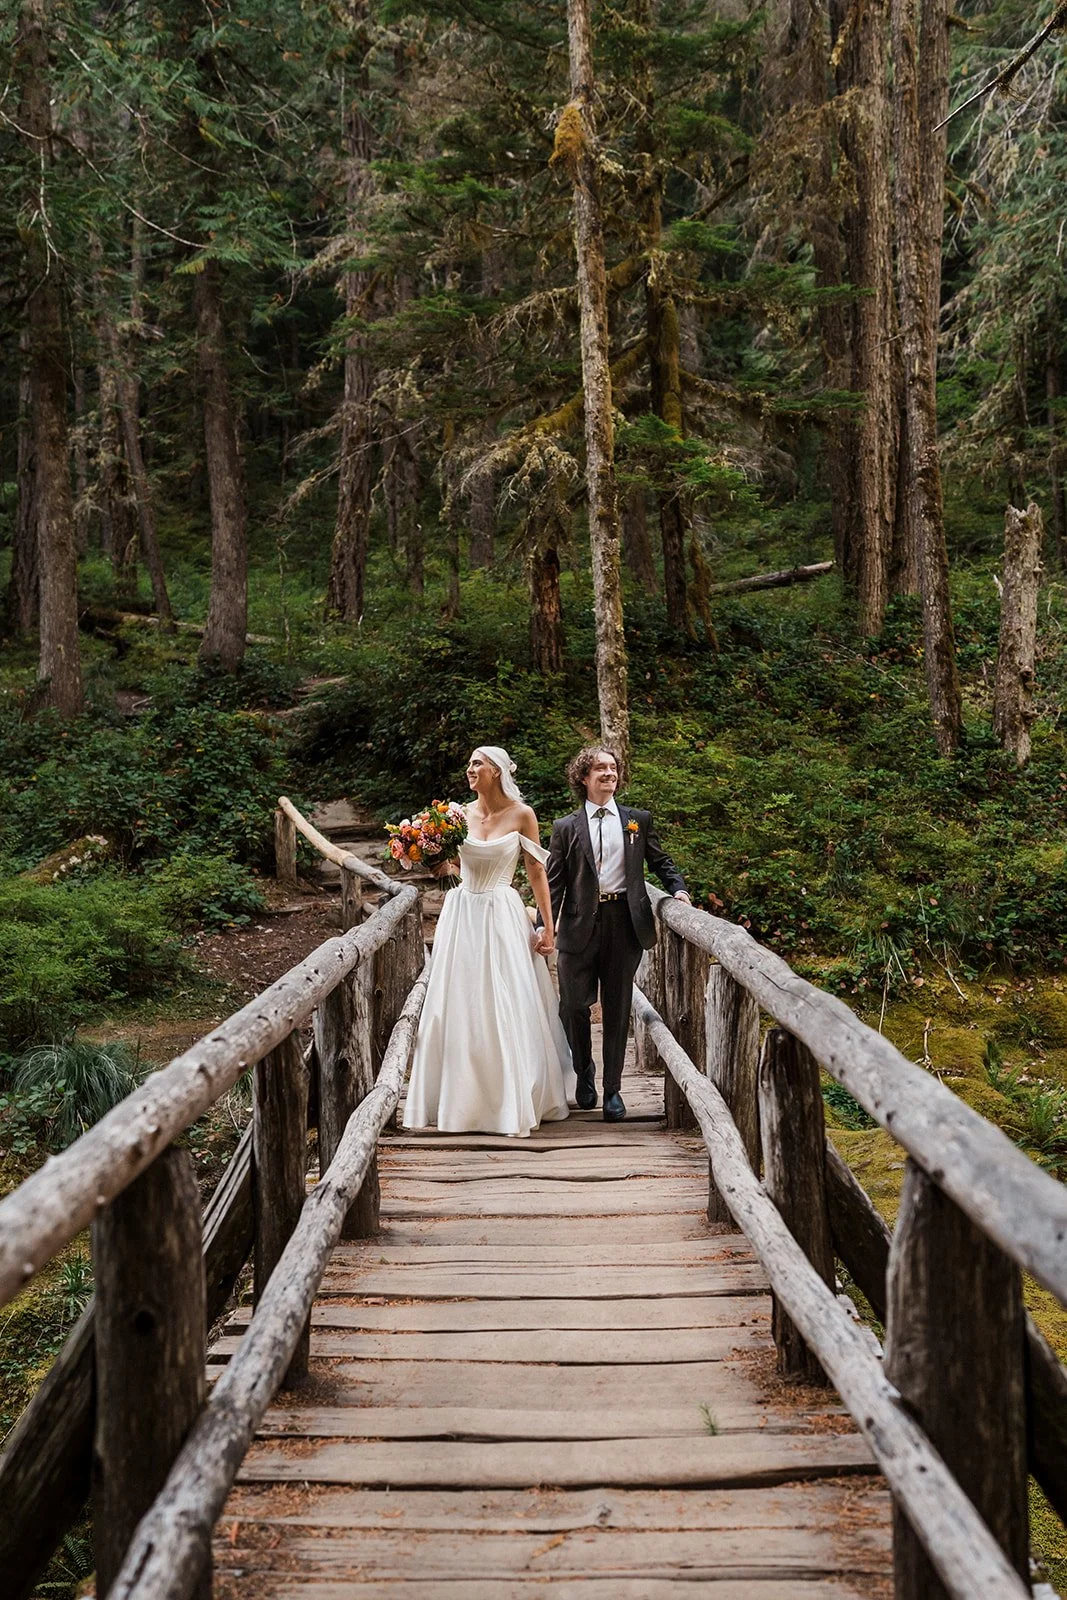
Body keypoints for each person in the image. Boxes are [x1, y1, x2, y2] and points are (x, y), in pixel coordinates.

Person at [403, 746, 576, 1137]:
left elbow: (536, 873)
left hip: (501, 911)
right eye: (469, 765)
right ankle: (461, 1101)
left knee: (505, 1001)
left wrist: (549, 926)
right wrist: (426, 853)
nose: (470, 770)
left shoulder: (522, 815)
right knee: (459, 1003)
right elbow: (454, 866)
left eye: (476, 764)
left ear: (496, 771)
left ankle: (510, 1099)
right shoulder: (457, 816)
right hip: (462, 912)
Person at [546, 746, 690, 1122]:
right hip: (578, 925)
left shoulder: (636, 820)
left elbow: (660, 861)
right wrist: (546, 923)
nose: (609, 774)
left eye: (613, 768)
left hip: (624, 922)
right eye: (600, 768)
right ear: (584, 777)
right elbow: (554, 881)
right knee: (573, 1006)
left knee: (617, 1006)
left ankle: (612, 1090)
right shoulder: (565, 827)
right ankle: (584, 1072)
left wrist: (678, 889)